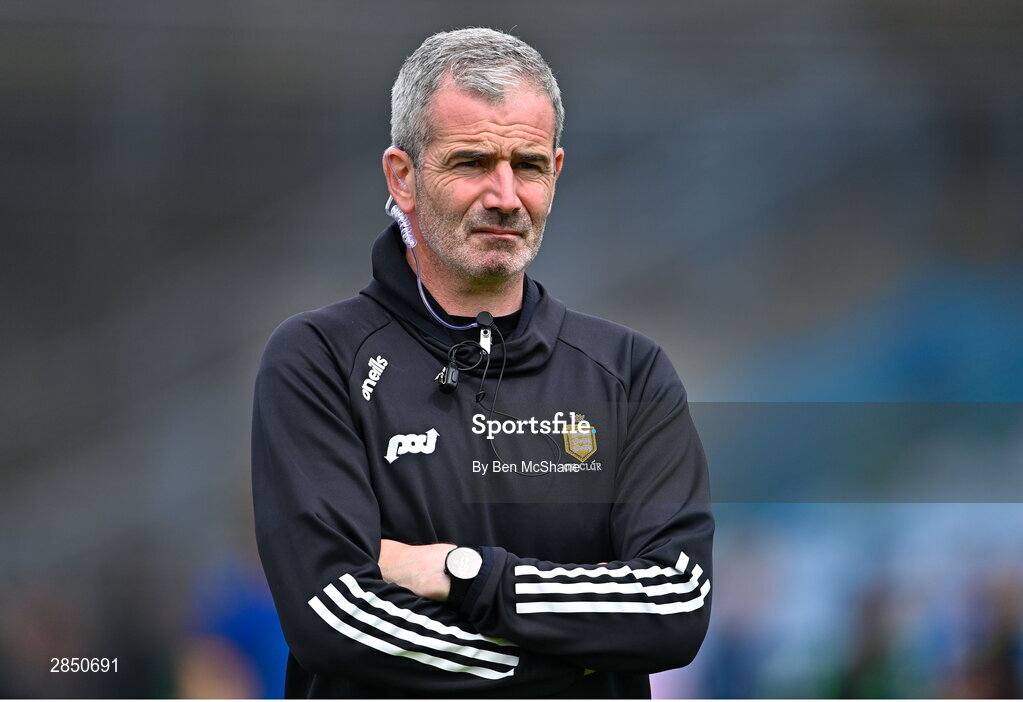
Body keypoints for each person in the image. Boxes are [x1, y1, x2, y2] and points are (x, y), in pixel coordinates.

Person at [252, 27, 713, 698]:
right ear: (403, 177)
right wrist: (568, 669)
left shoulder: (630, 372)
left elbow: (672, 605)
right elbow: (335, 618)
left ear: (556, 173)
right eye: (471, 163)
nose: (505, 196)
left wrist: (464, 573)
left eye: (527, 165)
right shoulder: (317, 359)